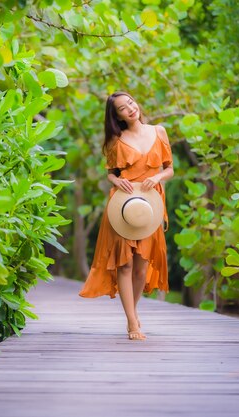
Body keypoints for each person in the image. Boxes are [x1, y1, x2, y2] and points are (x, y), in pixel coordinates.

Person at [79, 91, 174, 341]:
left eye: (131, 102)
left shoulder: (159, 131)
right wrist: (116, 180)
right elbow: (110, 173)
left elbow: (170, 169)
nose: (130, 108)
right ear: (117, 116)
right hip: (123, 206)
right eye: (123, 108)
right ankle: (132, 322)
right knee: (125, 264)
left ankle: (133, 312)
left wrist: (157, 177)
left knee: (141, 268)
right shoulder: (116, 140)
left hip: (150, 205)